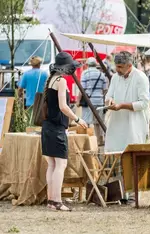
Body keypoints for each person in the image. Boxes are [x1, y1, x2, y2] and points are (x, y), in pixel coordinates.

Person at [41, 52, 87, 211]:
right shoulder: (60, 81)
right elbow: (63, 106)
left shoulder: (50, 79)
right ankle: (57, 201)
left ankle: (51, 201)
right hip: (56, 127)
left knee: (52, 164)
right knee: (60, 163)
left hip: (48, 126)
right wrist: (77, 119)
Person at [105, 51, 150, 152]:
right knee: (115, 152)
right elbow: (108, 95)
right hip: (117, 122)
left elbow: (144, 103)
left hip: (135, 123)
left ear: (129, 65)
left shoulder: (140, 77)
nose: (117, 69)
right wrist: (109, 101)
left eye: (120, 67)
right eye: (116, 66)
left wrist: (122, 105)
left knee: (133, 154)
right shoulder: (115, 77)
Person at [77, 57, 108, 145]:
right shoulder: (101, 74)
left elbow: (82, 89)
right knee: (99, 121)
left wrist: (78, 100)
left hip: (88, 101)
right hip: (100, 101)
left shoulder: (85, 73)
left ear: (87, 64)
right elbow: (105, 89)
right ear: (96, 64)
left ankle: (87, 142)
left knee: (86, 121)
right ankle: (100, 140)